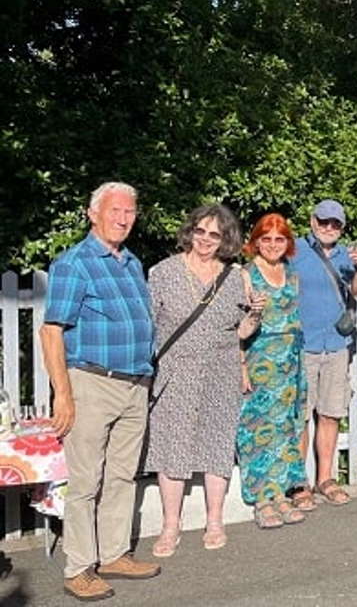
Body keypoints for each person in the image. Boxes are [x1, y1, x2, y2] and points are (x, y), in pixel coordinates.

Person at [40, 182, 161, 601]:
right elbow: (52, 331)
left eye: (130, 211)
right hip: (92, 382)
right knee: (87, 479)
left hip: (134, 383)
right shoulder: (74, 263)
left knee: (122, 475)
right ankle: (79, 566)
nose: (124, 218)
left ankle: (112, 554)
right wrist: (63, 394)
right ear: (94, 214)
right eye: (115, 210)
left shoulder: (131, 263)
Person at [146, 204, 258, 557]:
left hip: (221, 370)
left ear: (226, 239)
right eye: (201, 231)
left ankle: (214, 520)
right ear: (190, 231)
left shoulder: (236, 276)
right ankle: (170, 526)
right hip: (175, 371)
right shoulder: (162, 272)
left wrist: (256, 314)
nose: (206, 240)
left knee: (216, 444)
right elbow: (148, 325)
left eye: (215, 234)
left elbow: (242, 331)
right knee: (171, 446)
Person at [292, 200, 357, 508]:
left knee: (331, 413)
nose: (328, 228)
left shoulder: (348, 255)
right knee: (301, 416)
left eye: (335, 224)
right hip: (302, 344)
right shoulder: (294, 250)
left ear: (342, 227)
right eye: (324, 221)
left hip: (335, 344)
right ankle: (298, 482)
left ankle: (325, 478)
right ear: (312, 220)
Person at [238, 213, 308, 529]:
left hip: (290, 361)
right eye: (266, 239)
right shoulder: (246, 274)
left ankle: (280, 492)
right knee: (256, 428)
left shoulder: (291, 274)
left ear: (288, 243)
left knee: (284, 428)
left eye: (279, 239)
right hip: (259, 358)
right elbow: (236, 328)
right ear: (255, 242)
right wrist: (241, 367)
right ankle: (262, 499)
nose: (272, 245)